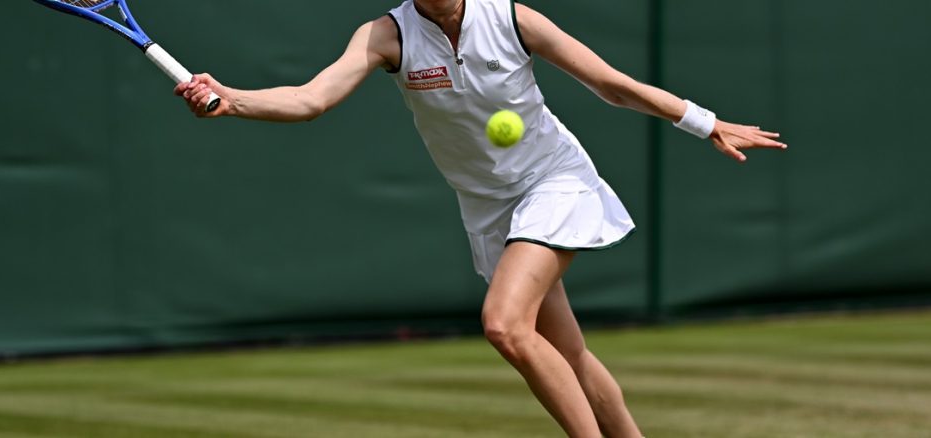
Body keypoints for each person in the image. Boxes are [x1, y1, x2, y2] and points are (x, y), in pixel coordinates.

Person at [176, 0, 786, 436]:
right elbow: (311, 99)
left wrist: (704, 121)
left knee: (504, 324)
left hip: (553, 181)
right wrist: (232, 99)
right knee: (566, 355)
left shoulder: (514, 18)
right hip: (488, 207)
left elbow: (611, 84)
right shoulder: (386, 35)